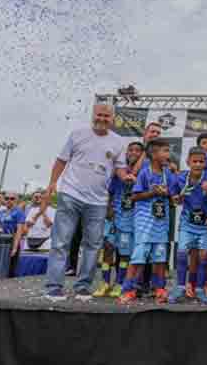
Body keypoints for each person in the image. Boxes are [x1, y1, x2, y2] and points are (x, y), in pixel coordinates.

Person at [44, 104, 132, 301]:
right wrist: (52, 183)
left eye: (106, 116)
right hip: (70, 194)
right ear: (93, 116)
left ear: (113, 119)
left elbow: (119, 167)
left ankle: (83, 286)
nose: (102, 118)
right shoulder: (77, 133)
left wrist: (125, 177)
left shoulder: (118, 142)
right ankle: (53, 286)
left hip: (98, 200)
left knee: (93, 244)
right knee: (60, 241)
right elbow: (61, 160)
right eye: (99, 115)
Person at [117, 139, 175, 304]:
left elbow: (172, 198)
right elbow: (134, 197)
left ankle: (159, 288)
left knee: (160, 258)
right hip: (144, 223)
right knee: (138, 257)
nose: (168, 155)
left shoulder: (168, 174)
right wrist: (152, 192)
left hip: (161, 223)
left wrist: (170, 195)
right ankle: (128, 289)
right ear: (154, 154)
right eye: (165, 151)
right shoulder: (144, 173)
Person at [168, 147, 207, 304]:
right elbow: (174, 200)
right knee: (182, 253)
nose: (197, 164)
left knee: (203, 256)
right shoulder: (181, 178)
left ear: (205, 163)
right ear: (188, 162)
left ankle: (200, 289)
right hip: (187, 223)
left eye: (201, 161)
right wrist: (177, 198)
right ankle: (180, 287)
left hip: (204, 226)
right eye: (194, 161)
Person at [96, 141, 144, 298]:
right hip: (114, 216)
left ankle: (119, 283)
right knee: (108, 248)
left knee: (124, 254)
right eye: (131, 150)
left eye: (138, 151)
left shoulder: (145, 172)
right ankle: (104, 282)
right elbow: (110, 192)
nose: (134, 153)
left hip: (129, 219)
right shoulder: (119, 171)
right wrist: (109, 209)